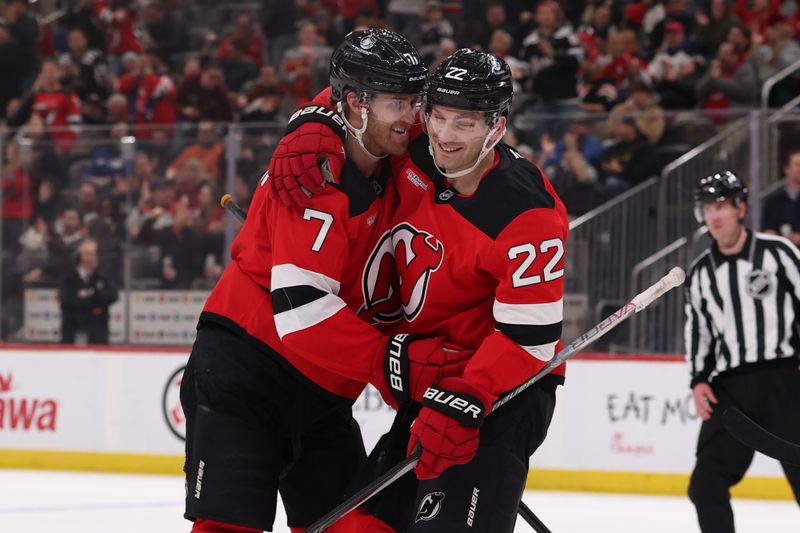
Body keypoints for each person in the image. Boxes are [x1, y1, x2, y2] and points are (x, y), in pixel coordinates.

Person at [180, 29, 469, 533]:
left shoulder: (381, 142)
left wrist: (310, 112)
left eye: (412, 100)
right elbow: (303, 311)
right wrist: (393, 360)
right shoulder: (314, 175)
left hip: (322, 386)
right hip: (248, 363)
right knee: (228, 527)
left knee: (351, 526)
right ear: (356, 104)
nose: (413, 116)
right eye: (398, 103)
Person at [268, 49, 568, 533]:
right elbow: (357, 100)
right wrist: (309, 123)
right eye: (438, 117)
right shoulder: (417, 149)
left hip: (505, 387)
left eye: (465, 124)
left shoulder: (526, 211)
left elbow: (529, 337)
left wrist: (474, 391)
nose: (446, 136)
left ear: (497, 126)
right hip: (434, 371)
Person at [684, 171, 800, 533]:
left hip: (784, 380)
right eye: (707, 208)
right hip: (731, 388)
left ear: (741, 208)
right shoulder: (701, 273)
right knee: (705, 484)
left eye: (721, 206)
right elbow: (699, 330)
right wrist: (699, 381)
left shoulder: (778, 253)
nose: (714, 216)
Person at [59, 239, 118, 345]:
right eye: (88, 254)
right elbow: (66, 300)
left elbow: (111, 296)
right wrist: (92, 302)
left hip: (98, 332)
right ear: (79, 256)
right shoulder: (69, 277)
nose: (91, 258)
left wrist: (89, 294)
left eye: (94, 254)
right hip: (73, 331)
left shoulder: (103, 276)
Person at [762, 149, 800, 246]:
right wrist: (776, 237)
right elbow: (767, 229)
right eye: (797, 165)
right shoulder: (772, 201)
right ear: (787, 169)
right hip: (780, 254)